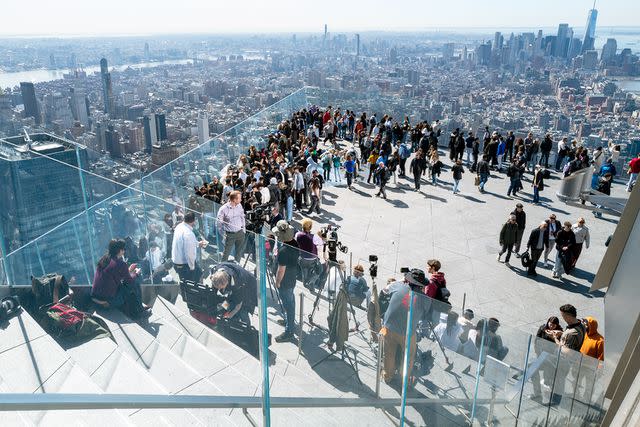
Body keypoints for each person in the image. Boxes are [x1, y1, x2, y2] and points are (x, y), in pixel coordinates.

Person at [380, 269, 431, 385]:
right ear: (422, 285)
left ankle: (387, 377)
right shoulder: (425, 299)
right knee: (409, 357)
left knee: (389, 354)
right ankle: (404, 380)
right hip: (406, 332)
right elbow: (425, 315)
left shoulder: (398, 286)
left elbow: (384, 291)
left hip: (388, 327)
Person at [91, 239, 151, 318]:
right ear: (120, 251)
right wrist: (136, 273)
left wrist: (128, 270)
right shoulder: (120, 264)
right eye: (124, 249)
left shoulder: (104, 259)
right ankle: (140, 310)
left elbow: (114, 275)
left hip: (95, 298)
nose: (124, 251)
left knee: (128, 283)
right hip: (107, 301)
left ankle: (139, 307)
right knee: (134, 283)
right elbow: (129, 281)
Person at [548, 304, 587, 405]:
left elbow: (567, 351)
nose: (563, 318)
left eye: (563, 316)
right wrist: (561, 333)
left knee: (559, 381)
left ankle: (554, 402)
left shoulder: (573, 333)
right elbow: (568, 337)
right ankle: (554, 401)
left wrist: (555, 338)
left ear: (568, 316)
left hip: (564, 361)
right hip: (565, 361)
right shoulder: (579, 325)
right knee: (558, 381)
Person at [272, 220, 300, 343]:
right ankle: (289, 321)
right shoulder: (295, 243)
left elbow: (281, 270)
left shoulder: (283, 251)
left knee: (288, 305)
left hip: (285, 281)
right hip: (292, 278)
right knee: (290, 302)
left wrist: (277, 282)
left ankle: (289, 331)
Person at [530, 316, 564, 400]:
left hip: (551, 359)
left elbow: (559, 346)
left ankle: (549, 394)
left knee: (548, 378)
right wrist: (538, 353)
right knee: (532, 368)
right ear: (548, 322)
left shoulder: (559, 333)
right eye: (550, 324)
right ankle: (537, 392)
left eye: (554, 325)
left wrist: (554, 336)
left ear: (557, 325)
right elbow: (537, 341)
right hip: (541, 355)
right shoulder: (542, 328)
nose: (551, 326)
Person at [172, 212, 207, 285]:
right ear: (193, 221)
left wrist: (197, 244)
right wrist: (192, 268)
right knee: (190, 283)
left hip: (177, 262)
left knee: (198, 274)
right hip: (185, 264)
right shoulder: (189, 234)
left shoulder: (179, 226)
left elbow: (184, 242)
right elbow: (189, 254)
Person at [216, 191, 246, 263]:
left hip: (240, 233)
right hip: (229, 235)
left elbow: (242, 217)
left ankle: (236, 267)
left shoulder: (239, 205)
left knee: (239, 252)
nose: (241, 200)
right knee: (226, 253)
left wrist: (243, 229)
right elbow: (219, 223)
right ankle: (222, 268)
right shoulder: (223, 209)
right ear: (234, 200)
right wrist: (223, 234)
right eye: (239, 198)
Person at [295, 218, 324, 291]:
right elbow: (320, 246)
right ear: (310, 227)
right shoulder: (315, 237)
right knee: (319, 270)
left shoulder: (298, 234)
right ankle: (311, 281)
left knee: (304, 271)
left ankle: (305, 283)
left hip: (302, 258)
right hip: (312, 258)